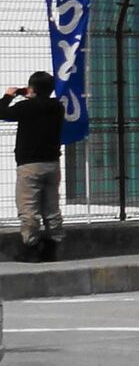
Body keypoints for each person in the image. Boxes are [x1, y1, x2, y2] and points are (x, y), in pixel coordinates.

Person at [2, 70, 67, 262]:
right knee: (51, 207)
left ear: (32, 88)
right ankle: (52, 245)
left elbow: (2, 112)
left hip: (29, 165)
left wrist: (8, 96)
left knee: (29, 208)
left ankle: (31, 247)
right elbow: (41, 104)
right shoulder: (57, 107)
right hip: (52, 164)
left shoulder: (25, 107)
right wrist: (33, 94)